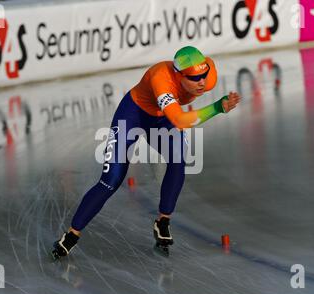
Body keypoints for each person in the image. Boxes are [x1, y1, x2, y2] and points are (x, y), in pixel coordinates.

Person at [52, 46, 241, 259]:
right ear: (178, 76)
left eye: (204, 75)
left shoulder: (209, 74)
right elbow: (180, 120)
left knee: (178, 160)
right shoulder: (161, 78)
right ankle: (71, 235)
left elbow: (178, 115)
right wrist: (217, 107)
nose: (202, 83)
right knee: (111, 180)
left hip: (161, 118)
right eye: (195, 78)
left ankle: (163, 221)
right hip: (133, 114)